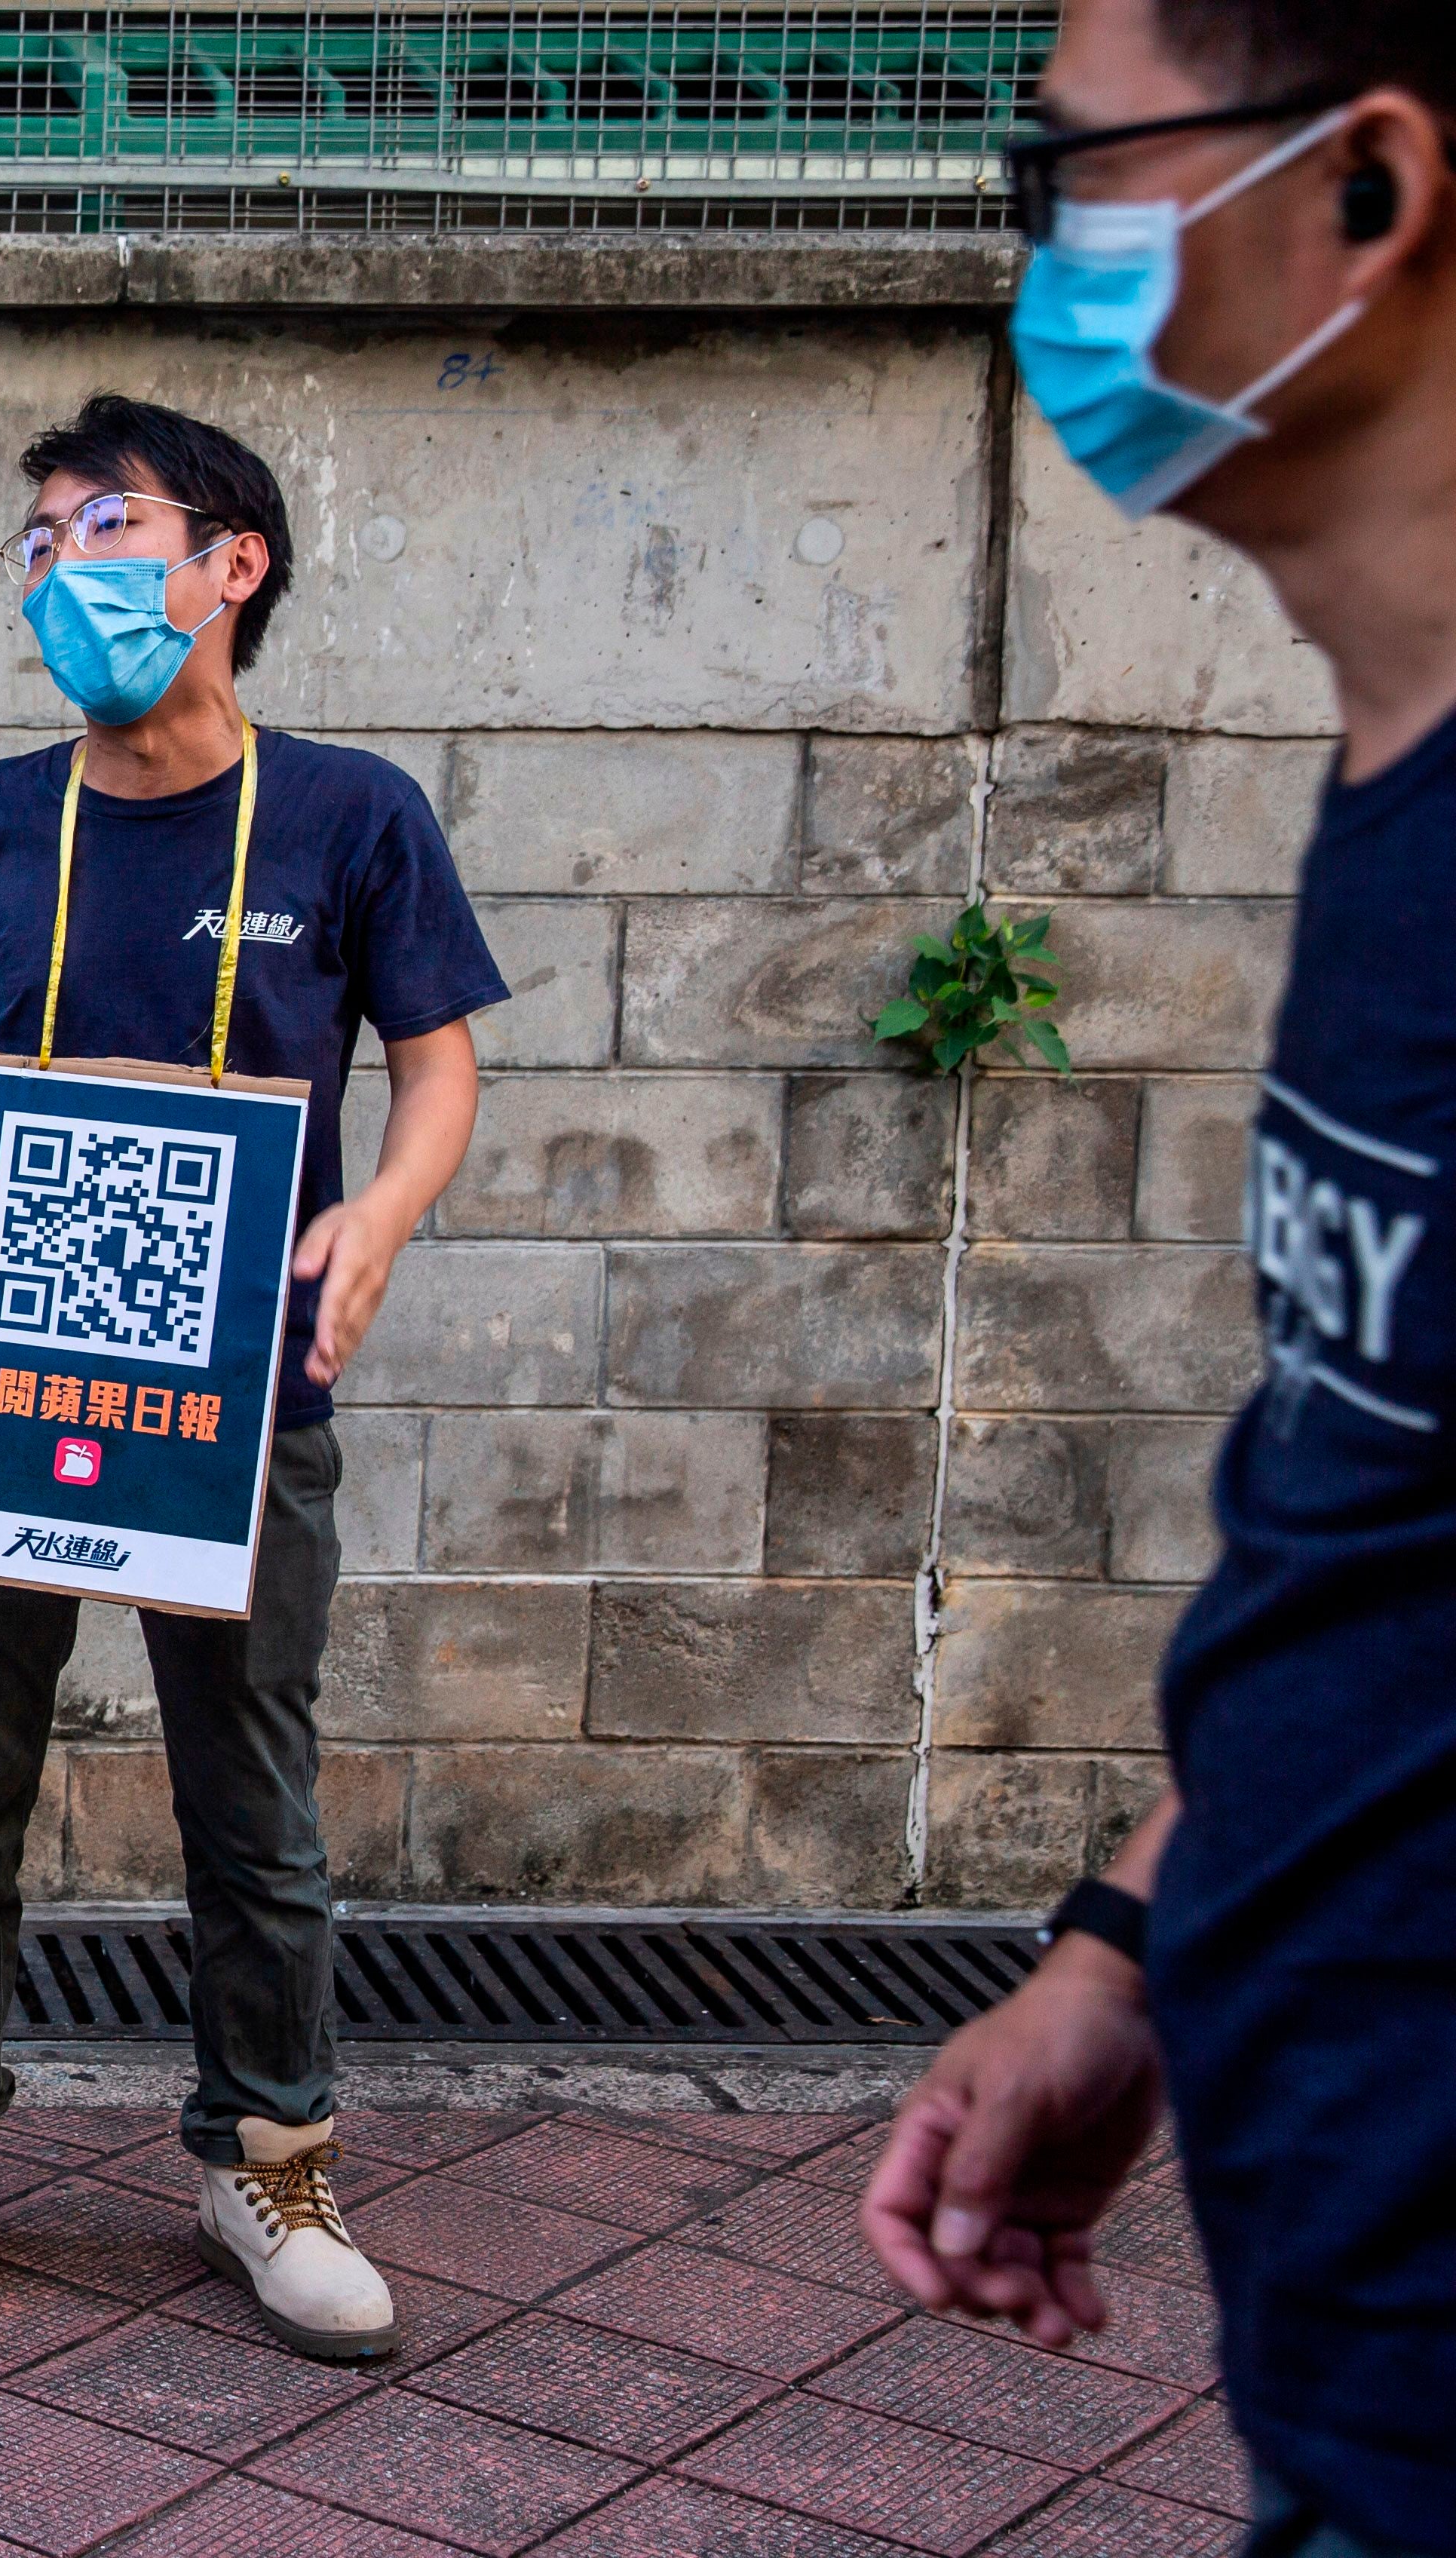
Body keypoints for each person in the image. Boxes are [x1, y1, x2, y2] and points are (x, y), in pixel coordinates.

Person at [860, 7, 1456, 2550]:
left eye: (1074, 165)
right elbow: (1375, 1519)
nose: (1042, 248)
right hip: (1343, 2335)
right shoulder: (1387, 774)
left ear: (1365, 189)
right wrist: (1129, 1948)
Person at [0, 396, 504, 2354]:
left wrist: (372, 1217)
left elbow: (440, 1062)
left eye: (109, 523)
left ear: (235, 564)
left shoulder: (350, 816)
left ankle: (269, 2164)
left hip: (251, 1396)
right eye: (39, 537)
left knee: (252, 1803)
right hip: (3, 1380)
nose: (66, 564)